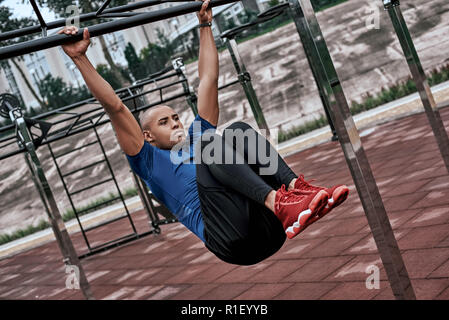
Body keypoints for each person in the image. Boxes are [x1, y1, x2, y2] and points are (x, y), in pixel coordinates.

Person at [58, 0, 349, 266]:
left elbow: (208, 79)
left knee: (236, 131)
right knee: (212, 140)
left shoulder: (198, 137)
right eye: (164, 122)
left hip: (270, 228)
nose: (175, 123)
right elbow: (116, 108)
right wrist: (80, 59)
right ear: (147, 136)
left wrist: (205, 25)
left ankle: (297, 191)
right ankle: (280, 202)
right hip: (230, 238)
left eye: (175, 117)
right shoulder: (148, 160)